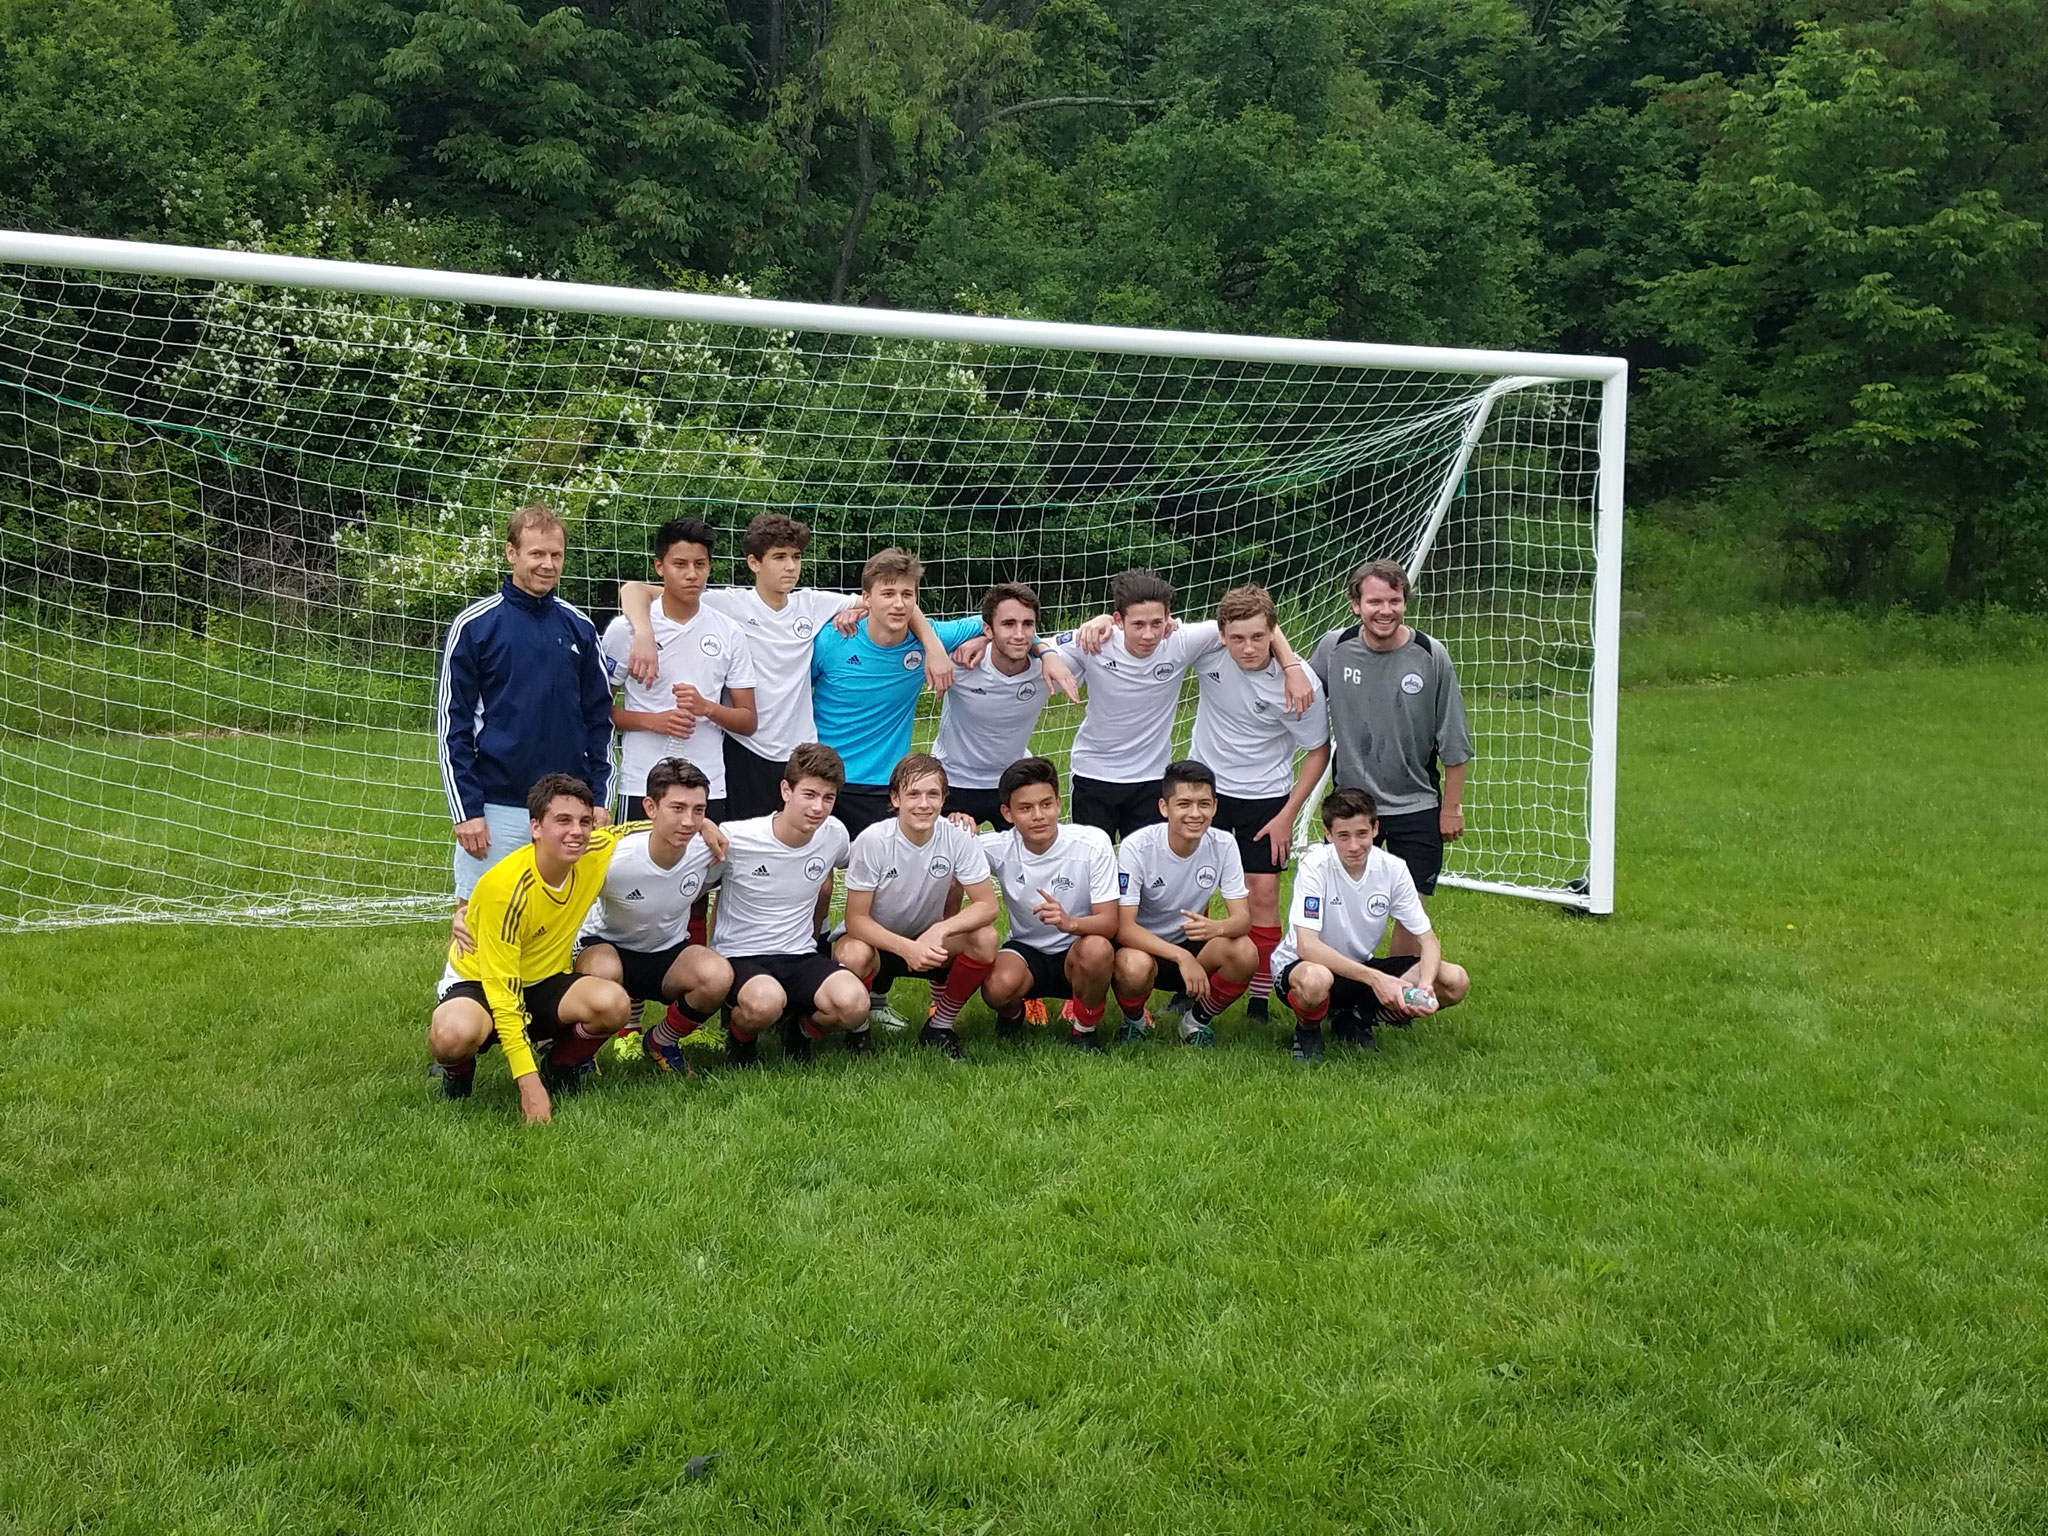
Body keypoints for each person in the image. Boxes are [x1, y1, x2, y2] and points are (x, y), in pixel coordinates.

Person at [618, 514, 953, 819]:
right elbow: (634, 589)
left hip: (799, 751)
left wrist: (933, 647)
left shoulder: (814, 603)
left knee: (802, 849)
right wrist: (644, 632)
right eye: (779, 557)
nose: (790, 567)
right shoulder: (725, 604)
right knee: (740, 848)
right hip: (744, 748)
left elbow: (888, 599)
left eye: (796, 557)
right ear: (754, 562)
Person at [427, 774, 639, 1123]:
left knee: (615, 1003)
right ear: (536, 827)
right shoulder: (504, 890)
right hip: (482, 982)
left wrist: (705, 825)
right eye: (563, 821)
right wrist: (529, 1084)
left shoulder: (593, 853)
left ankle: (561, 1065)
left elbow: (632, 830)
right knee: (452, 1034)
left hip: (543, 981)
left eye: (584, 821)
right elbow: (502, 991)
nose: (577, 831)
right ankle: (458, 1071)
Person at [437, 505, 614, 916]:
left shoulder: (579, 627)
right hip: (498, 806)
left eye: (556, 555)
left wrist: (599, 800)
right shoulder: (475, 625)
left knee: (563, 925)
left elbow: (599, 722)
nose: (547, 564)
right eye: (536, 554)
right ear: (511, 553)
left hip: (569, 810)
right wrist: (468, 811)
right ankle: (459, 984)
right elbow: (453, 725)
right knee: (480, 919)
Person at [1059, 569, 1315, 840]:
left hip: (1152, 778)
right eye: (1138, 625)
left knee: (1150, 872)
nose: (1148, 634)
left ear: (1169, 618)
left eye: (1156, 623)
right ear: (1119, 620)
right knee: (1092, 868)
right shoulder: (1093, 640)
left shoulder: (1181, 641)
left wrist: (1291, 666)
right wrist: (1049, 651)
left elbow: (1255, 621)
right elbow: (1034, 644)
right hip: (1093, 774)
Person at [1309, 559, 1473, 943]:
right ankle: (1344, 992)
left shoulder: (1431, 654)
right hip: (1352, 804)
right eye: (1375, 602)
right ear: (1356, 604)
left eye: (1394, 601)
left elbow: (1455, 740)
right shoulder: (1334, 647)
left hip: (1416, 804)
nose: (1385, 611)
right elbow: (1300, 695)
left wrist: (1451, 808)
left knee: (1410, 912)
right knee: (1341, 906)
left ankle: (1394, 1000)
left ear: (1405, 602)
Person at [1190, 584, 1332, 1019]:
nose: (1247, 647)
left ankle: (1258, 992)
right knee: (1193, 886)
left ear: (1273, 631)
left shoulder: (1300, 684)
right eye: (1237, 638)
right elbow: (1153, 630)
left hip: (1265, 797)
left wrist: (1288, 815)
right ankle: (1188, 979)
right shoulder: (1208, 650)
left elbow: (1318, 751)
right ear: (1221, 635)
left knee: (1263, 892)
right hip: (1205, 791)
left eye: (1258, 637)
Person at [1271, 787, 1471, 1063]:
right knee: (1317, 980)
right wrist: (1378, 980)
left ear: (1376, 829)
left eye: (1362, 834)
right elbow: (1307, 946)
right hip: (1304, 968)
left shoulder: (1394, 868)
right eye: (1343, 836)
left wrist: (1424, 984)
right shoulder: (1314, 866)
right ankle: (1307, 1029)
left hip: (1359, 967)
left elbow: (1428, 940)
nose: (1354, 846)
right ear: (1328, 834)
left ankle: (1356, 1019)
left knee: (1454, 981)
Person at [807, 548, 986, 839]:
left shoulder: (929, 638)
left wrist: (978, 641)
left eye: (907, 595)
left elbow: (1000, 618)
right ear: (866, 598)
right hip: (826, 780)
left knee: (890, 878)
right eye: (888, 594)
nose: (899, 604)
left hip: (885, 785)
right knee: (821, 884)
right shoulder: (832, 639)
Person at [831, 754, 1001, 1059]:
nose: (923, 804)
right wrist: (905, 948)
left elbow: (988, 906)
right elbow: (855, 919)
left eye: (932, 794)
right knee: (853, 953)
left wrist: (941, 928)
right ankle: (858, 1031)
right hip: (877, 943)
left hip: (928, 940)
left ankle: (940, 1025)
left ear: (944, 799)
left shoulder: (959, 837)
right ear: (895, 798)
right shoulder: (873, 840)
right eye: (913, 794)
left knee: (986, 938)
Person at [572, 757, 734, 1075]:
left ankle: (661, 1040)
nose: (689, 821)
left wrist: (707, 825)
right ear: (650, 808)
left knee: (717, 975)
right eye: (677, 808)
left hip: (664, 953)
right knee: (604, 970)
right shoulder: (613, 859)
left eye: (698, 810)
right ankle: (578, 1051)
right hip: (606, 946)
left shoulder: (710, 852)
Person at [711, 743, 868, 1062]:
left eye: (828, 798)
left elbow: (870, 861)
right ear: (786, 790)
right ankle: (741, 1038)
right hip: (741, 955)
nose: (818, 808)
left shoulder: (834, 833)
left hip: (799, 954)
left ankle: (800, 1030)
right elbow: (693, 886)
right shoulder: (735, 839)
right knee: (765, 1002)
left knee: (854, 1005)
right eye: (809, 795)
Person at [598, 518, 756, 822]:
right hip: (642, 784)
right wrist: (652, 721)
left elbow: (748, 720)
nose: (691, 574)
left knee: (705, 870)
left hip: (707, 787)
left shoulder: (729, 632)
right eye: (680, 564)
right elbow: (596, 711)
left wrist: (706, 707)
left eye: (700, 564)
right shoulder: (627, 630)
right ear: (660, 567)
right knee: (636, 869)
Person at [1110, 760, 1257, 1047]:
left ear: (1214, 807)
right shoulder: (1137, 847)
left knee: (1245, 951)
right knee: (1132, 964)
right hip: (1145, 947)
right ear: (1165, 808)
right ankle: (1135, 1021)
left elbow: (1243, 920)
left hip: (1192, 944)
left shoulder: (1224, 844)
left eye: (1204, 804)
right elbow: (1124, 928)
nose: (1195, 813)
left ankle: (1195, 1023)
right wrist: (1181, 957)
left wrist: (1217, 928)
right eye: (1184, 804)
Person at [976, 756, 1120, 1050]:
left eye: (1046, 804)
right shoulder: (998, 847)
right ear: (1007, 813)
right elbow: (945, 848)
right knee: (996, 988)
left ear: (1059, 803)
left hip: (1077, 947)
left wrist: (1070, 923)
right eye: (1026, 808)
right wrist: (957, 824)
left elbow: (1109, 922)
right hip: (1027, 949)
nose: (1038, 815)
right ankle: (1012, 1015)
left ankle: (1085, 1029)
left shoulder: (1093, 843)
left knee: (1098, 948)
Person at [932, 582, 1080, 826]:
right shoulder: (960, 661)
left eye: (1028, 624)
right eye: (1009, 624)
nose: (1020, 634)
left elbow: (1100, 634)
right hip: (954, 781)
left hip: (1012, 781)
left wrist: (1046, 651)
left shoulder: (1051, 666)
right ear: (988, 630)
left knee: (1029, 858)